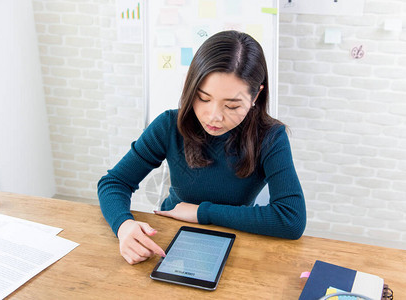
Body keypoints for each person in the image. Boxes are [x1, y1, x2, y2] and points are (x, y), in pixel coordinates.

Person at [98, 30, 306, 265]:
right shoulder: (169, 125)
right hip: (172, 233)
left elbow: (291, 219)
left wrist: (200, 212)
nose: (214, 117)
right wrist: (123, 226)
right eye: (204, 99)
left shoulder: (270, 137)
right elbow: (114, 182)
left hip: (234, 239)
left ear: (256, 95)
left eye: (232, 105)